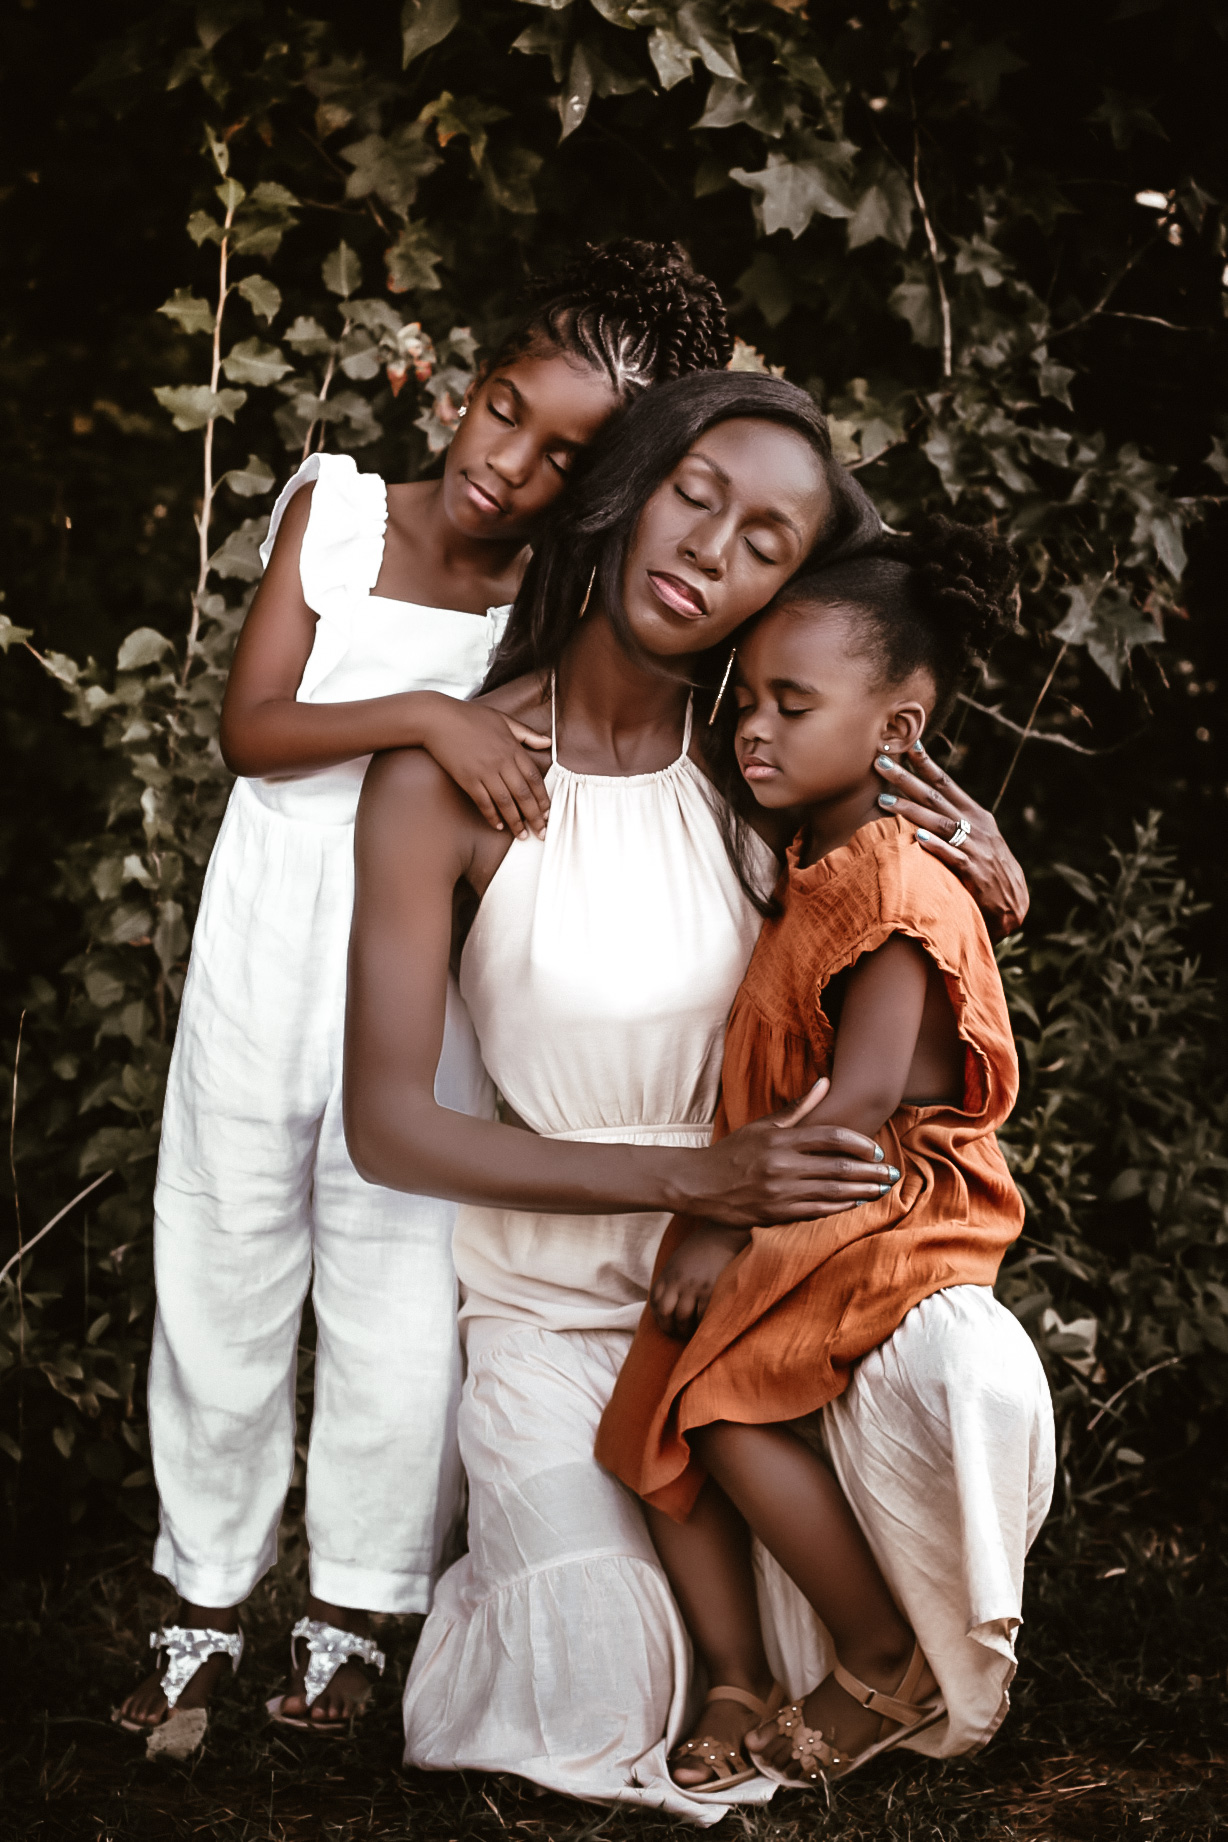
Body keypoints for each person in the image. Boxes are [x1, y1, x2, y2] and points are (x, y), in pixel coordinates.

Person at [342, 372, 1033, 1817]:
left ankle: (851, 1639)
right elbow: (390, 1128)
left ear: (788, 588)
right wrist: (688, 1186)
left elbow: (898, 932)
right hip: (552, 1304)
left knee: (954, 1386)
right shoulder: (455, 776)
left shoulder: (772, 769)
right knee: (600, 1689)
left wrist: (994, 894)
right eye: (698, 496)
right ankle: (720, 1651)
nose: (713, 548)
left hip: (769, 1287)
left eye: (768, 540)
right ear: (629, 486)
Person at [115, 241, 737, 1740]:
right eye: (504, 409)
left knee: (397, 1286)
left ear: (600, 489)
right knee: (224, 1249)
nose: (508, 463)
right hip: (267, 942)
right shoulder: (338, 514)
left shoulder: (554, 600)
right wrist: (425, 719)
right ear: (469, 386)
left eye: (565, 457)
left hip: (426, 966)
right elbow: (254, 730)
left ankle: (353, 1611)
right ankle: (200, 1596)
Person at [596, 517, 1055, 1798]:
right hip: (827, 1180)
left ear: (896, 732)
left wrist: (711, 1219)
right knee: (653, 1402)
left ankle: (879, 1659)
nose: (751, 728)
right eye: (745, 698)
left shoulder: (899, 887)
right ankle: (734, 1668)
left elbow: (856, 1101)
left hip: (889, 1197)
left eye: (790, 705)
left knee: (724, 1404)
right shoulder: (818, 859)